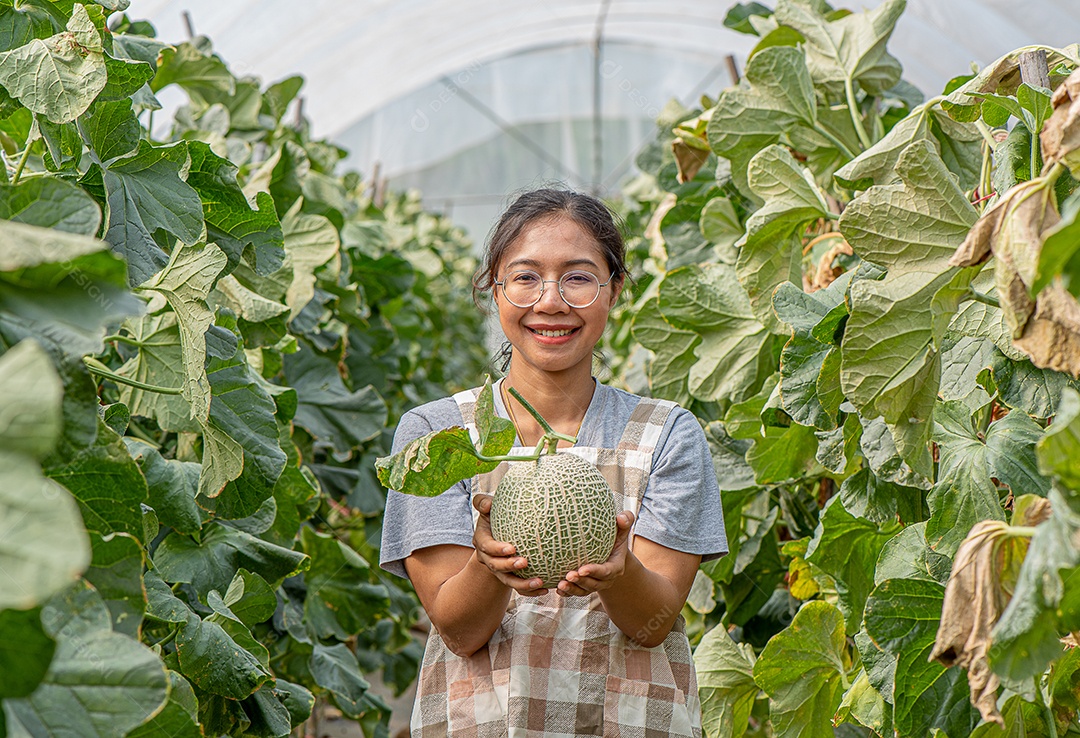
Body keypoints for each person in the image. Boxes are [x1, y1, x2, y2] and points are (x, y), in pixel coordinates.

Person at [379, 188, 727, 738]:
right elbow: (458, 631)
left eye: (579, 277)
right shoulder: (437, 435)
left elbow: (651, 624)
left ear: (613, 290)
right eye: (524, 277)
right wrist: (487, 565)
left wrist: (621, 573)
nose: (551, 302)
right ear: (494, 291)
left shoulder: (668, 434)